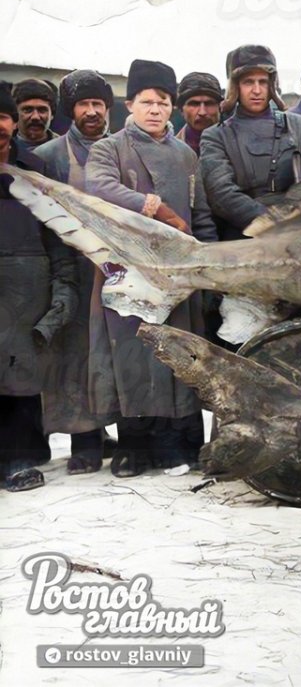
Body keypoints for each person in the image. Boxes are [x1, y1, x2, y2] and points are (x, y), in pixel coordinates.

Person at [85, 59, 218, 476]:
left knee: (177, 355)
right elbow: (99, 187)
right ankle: (133, 448)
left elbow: (199, 213)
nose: (156, 109)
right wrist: (155, 206)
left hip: (177, 273)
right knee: (134, 356)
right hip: (128, 271)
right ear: (129, 105)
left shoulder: (185, 154)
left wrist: (207, 258)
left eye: (163, 102)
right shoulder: (109, 148)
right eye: (147, 101)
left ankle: (180, 444)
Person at [33, 70, 121, 472]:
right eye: (83, 105)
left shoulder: (121, 150)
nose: (91, 112)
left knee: (116, 353)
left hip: (117, 268)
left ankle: (120, 434)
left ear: (107, 109)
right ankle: (85, 442)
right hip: (71, 267)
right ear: (71, 111)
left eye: (97, 105)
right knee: (74, 355)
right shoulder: (49, 156)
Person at [0, 83, 76, 491]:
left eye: (2, 118)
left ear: (11, 123)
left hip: (27, 295)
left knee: (20, 378)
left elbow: (57, 236)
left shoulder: (34, 171)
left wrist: (64, 292)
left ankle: (20, 461)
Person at [200, 44, 301, 239]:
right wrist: (270, 222)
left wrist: (297, 219)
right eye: (248, 82)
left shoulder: (299, 126)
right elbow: (221, 194)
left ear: (272, 85)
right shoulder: (216, 136)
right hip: (243, 235)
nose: (257, 90)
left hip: (299, 229)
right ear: (236, 86)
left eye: (263, 81)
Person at [175, 72, 224, 155]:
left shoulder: (237, 144)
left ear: (220, 108)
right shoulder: (169, 152)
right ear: (181, 110)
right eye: (194, 104)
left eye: (209, 104)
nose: (202, 112)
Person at [13, 78, 58, 147]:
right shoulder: (4, 147)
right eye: (27, 110)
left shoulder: (67, 150)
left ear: (52, 114)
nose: (35, 117)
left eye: (42, 110)